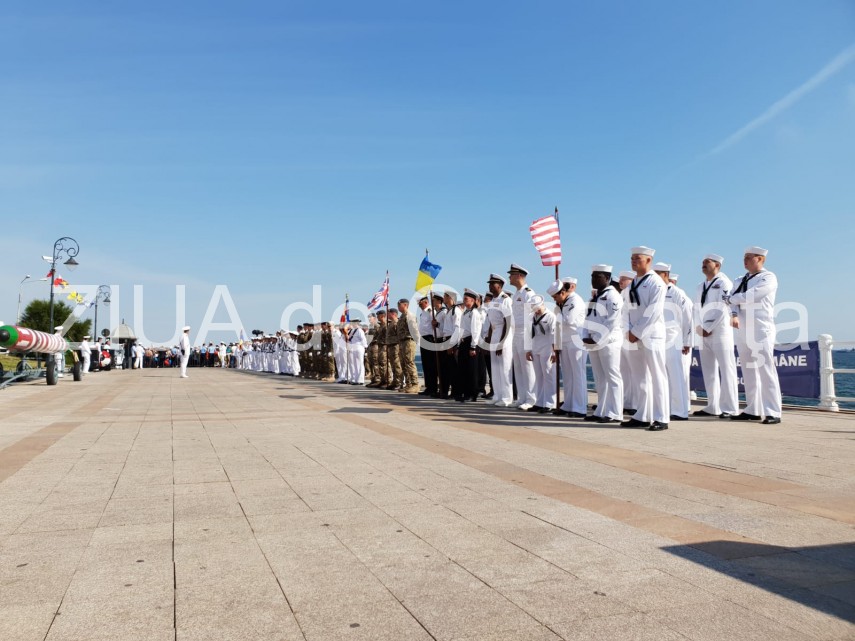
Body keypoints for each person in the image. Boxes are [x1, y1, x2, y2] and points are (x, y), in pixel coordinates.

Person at [729, 246, 782, 424]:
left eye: (749, 257)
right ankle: (753, 408)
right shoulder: (739, 279)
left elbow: (752, 295)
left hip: (760, 328)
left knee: (766, 369)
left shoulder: (768, 277)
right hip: (742, 328)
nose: (745, 260)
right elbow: (733, 301)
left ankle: (773, 411)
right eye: (744, 257)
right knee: (748, 369)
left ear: (760, 259)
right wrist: (734, 311)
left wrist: (732, 299)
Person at [622, 246, 669, 431]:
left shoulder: (657, 283)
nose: (633, 261)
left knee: (657, 376)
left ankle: (661, 417)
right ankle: (642, 415)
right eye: (632, 258)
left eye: (637, 258)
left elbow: (654, 311)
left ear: (648, 260)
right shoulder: (633, 282)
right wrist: (627, 330)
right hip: (633, 335)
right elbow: (625, 309)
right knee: (639, 377)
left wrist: (637, 332)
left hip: (651, 335)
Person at [693, 253, 738, 418]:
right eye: (702, 262)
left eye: (707, 262)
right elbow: (696, 308)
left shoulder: (724, 282)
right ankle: (713, 405)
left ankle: (730, 407)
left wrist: (708, 326)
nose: (703, 264)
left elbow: (723, 306)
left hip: (720, 331)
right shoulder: (700, 285)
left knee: (727, 369)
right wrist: (699, 326)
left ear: (717, 265)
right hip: (703, 332)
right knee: (709, 370)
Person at [581, 266, 624, 423]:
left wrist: (597, 338)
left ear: (607, 278)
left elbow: (612, 320)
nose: (593, 279)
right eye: (592, 276)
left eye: (597, 277)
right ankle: (601, 410)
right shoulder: (596, 296)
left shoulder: (613, 296)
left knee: (612, 377)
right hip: (593, 341)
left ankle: (615, 413)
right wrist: (585, 336)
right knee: (600, 378)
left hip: (608, 341)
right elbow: (588, 318)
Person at [654, 262, 694, 421]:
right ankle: (667, 407)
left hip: (674, 338)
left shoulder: (676, 292)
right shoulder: (656, 291)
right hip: (658, 338)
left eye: (657, 273)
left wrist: (687, 340)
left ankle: (680, 410)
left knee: (676, 375)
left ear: (665, 274)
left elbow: (687, 317)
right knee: (662, 375)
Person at [548, 278, 587, 417]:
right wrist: (556, 344)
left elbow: (568, 320)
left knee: (577, 375)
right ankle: (569, 404)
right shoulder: (561, 304)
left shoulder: (574, 301)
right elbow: (557, 326)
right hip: (564, 341)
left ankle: (580, 407)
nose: (554, 300)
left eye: (555, 296)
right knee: (568, 375)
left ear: (563, 292)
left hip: (576, 340)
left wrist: (559, 309)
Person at [481, 274, 514, 407]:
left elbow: (508, 321)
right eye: (489, 284)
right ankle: (498, 395)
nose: (490, 286)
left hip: (503, 334)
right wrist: (488, 341)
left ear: (499, 285)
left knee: (505, 368)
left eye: (492, 284)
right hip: (494, 333)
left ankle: (507, 398)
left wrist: (501, 342)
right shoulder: (493, 301)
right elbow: (489, 322)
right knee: (495, 368)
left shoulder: (505, 300)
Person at [508, 264, 537, 410]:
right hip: (516, 332)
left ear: (519, 275)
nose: (509, 277)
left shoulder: (528, 293)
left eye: (511, 274)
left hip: (525, 331)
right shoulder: (516, 294)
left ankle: (531, 399)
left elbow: (532, 316)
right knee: (518, 367)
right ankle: (522, 397)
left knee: (527, 367)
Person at [526, 295, 556, 413]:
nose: (536, 310)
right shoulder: (531, 317)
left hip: (547, 348)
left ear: (543, 304)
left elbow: (554, 335)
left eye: (537, 308)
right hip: (535, 347)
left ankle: (550, 403)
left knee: (548, 375)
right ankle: (539, 402)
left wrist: (555, 351)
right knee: (538, 376)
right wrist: (527, 350)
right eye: (534, 308)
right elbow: (528, 334)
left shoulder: (550, 316)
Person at [455, 289, 482, 402]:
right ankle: (465, 392)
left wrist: (473, 346)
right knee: (463, 369)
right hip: (463, 341)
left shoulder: (474, 313)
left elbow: (476, 330)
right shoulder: (465, 312)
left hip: (470, 341)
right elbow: (461, 329)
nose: (464, 301)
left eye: (466, 299)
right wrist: (458, 344)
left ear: (473, 300)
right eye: (464, 299)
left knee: (471, 370)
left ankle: (472, 394)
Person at [438, 291, 461, 399]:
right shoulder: (449, 311)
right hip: (447, 339)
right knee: (449, 368)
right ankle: (451, 391)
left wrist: (452, 345)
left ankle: (456, 392)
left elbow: (457, 329)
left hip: (452, 340)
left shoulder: (455, 311)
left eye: (445, 296)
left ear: (451, 298)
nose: (444, 298)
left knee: (454, 369)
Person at [397, 298, 420, 393]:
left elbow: (414, 330)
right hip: (402, 342)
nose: (398, 307)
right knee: (404, 363)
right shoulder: (402, 316)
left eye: (399, 305)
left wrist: (416, 340)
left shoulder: (409, 316)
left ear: (405, 305)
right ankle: (408, 384)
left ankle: (415, 384)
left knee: (410, 362)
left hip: (409, 341)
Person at [346, 319, 368, 384]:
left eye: (353, 323)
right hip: (352, 348)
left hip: (359, 348)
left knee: (359, 364)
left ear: (357, 323)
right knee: (353, 364)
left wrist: (365, 348)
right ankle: (354, 379)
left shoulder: (359, 331)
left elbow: (363, 340)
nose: (352, 324)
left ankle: (360, 379)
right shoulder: (351, 331)